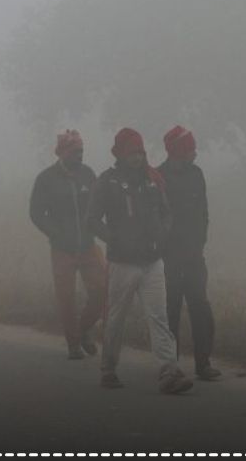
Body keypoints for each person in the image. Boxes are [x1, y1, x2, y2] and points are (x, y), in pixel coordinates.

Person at [88, 127, 193, 394]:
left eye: (141, 151)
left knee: (159, 318)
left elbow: (167, 213)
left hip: (152, 261)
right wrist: (114, 239)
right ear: (121, 154)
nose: (138, 157)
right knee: (116, 319)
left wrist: (162, 233)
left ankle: (169, 371)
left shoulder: (152, 180)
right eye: (132, 152)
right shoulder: (107, 181)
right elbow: (91, 220)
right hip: (122, 262)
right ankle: (108, 369)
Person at [29, 129, 107, 360]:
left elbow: (98, 205)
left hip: (88, 245)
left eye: (82, 151)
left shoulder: (88, 174)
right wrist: (55, 233)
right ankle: (73, 344)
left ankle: (84, 330)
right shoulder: (46, 178)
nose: (80, 155)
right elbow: (35, 213)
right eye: (75, 151)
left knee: (103, 290)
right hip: (62, 248)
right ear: (62, 153)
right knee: (66, 297)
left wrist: (104, 230)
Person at [157, 125, 220, 381]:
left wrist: (200, 241)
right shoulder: (157, 177)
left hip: (194, 254)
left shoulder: (197, 174)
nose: (195, 153)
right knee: (170, 310)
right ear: (179, 151)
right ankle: (172, 365)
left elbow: (203, 212)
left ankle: (203, 363)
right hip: (169, 256)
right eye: (190, 148)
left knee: (200, 308)